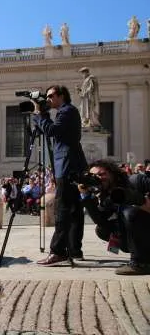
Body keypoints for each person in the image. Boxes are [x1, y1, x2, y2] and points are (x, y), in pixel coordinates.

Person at [33, 85, 88, 265]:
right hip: (71, 164)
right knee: (74, 208)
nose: (47, 99)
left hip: (67, 165)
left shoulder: (67, 111)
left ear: (61, 95)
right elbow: (49, 131)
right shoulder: (67, 112)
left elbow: (51, 131)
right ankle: (74, 249)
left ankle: (58, 251)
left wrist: (39, 114)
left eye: (50, 96)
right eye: (46, 97)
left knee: (62, 208)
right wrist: (43, 117)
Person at [78, 160, 150, 275]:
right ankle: (142, 254)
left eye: (102, 174)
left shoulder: (136, 180)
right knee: (102, 230)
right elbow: (100, 221)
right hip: (141, 233)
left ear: (112, 173)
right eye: (94, 176)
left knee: (130, 212)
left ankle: (140, 263)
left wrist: (144, 202)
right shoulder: (106, 195)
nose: (99, 178)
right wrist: (86, 196)